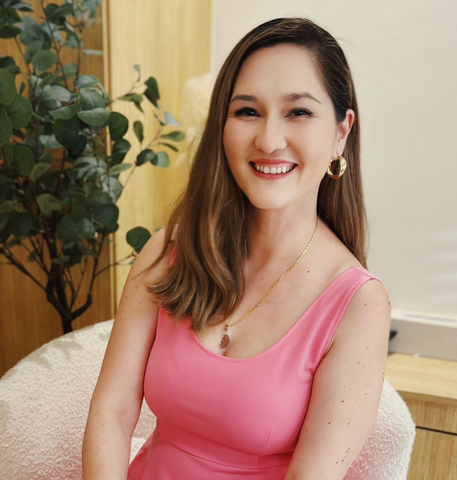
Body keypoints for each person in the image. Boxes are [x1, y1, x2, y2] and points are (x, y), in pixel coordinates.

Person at [82, 17, 391, 480]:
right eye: (247, 111)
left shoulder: (358, 305)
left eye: (298, 112)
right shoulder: (169, 252)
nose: (268, 140)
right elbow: (112, 411)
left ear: (340, 133)